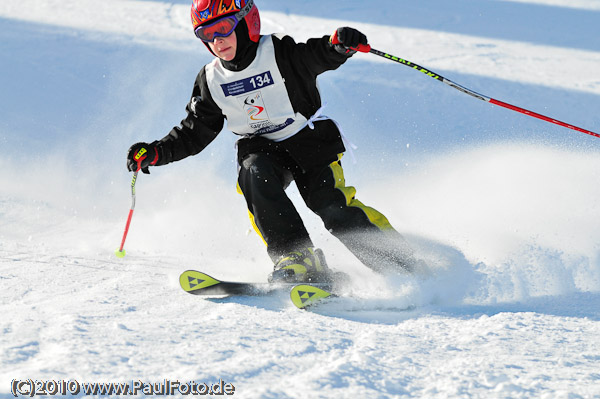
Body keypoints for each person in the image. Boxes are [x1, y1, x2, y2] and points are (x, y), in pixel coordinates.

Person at [126, 0, 414, 283]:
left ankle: (403, 264)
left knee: (330, 205)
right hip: (261, 148)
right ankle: (297, 257)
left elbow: (316, 55)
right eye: (206, 34)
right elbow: (196, 129)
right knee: (253, 173)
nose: (217, 40)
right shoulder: (212, 79)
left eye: (223, 28)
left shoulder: (278, 53)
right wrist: (155, 152)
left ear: (245, 23)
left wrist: (338, 46)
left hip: (307, 140)